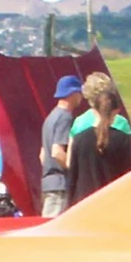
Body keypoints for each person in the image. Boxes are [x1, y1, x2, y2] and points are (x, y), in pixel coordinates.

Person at [67, 71, 131, 204]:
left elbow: (70, 163)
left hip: (84, 198)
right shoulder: (121, 123)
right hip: (112, 198)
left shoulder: (79, 123)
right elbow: (129, 170)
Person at [39, 74, 85, 215]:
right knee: (54, 232)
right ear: (72, 93)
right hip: (59, 185)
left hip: (48, 183)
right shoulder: (65, 118)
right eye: (79, 93)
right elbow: (57, 152)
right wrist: (74, 170)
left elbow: (42, 155)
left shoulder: (50, 117)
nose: (81, 97)